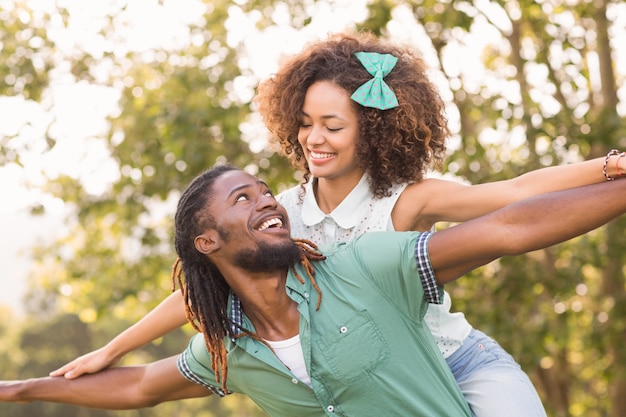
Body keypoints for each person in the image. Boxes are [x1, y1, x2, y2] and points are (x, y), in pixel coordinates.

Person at [50, 32, 626, 416]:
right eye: (305, 124)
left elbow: (517, 196)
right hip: (373, 381)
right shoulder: (283, 216)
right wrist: (113, 348)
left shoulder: (407, 201)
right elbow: (205, 285)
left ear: (372, 131)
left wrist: (609, 167)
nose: (314, 139)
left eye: (333, 125)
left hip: (458, 362)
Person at [3, 165, 626, 415]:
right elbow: (142, 385)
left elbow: (508, 227)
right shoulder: (228, 350)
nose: (269, 202)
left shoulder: (365, 270)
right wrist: (24, 388)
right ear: (207, 241)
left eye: (267, 192)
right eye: (243, 199)